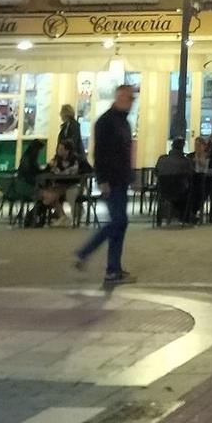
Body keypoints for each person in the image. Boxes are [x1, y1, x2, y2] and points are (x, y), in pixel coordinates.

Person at [73, 81, 136, 286]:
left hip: (121, 179)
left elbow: (125, 153)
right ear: (118, 97)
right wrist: (102, 179)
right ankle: (85, 253)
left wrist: (130, 176)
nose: (131, 102)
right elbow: (99, 153)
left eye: (132, 98)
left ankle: (113, 269)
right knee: (118, 222)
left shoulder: (124, 122)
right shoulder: (105, 122)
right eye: (129, 98)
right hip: (111, 179)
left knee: (120, 223)